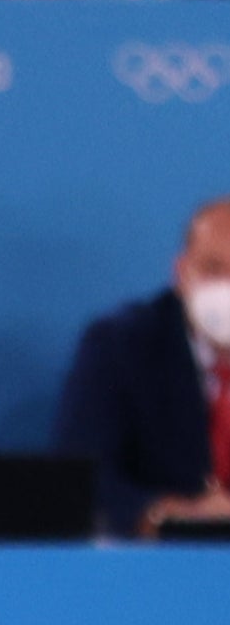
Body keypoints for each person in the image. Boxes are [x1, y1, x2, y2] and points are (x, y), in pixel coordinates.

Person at [52, 194, 230, 536]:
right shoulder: (121, 346)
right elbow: (80, 475)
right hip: (159, 565)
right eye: (212, 268)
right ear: (181, 274)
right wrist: (158, 513)